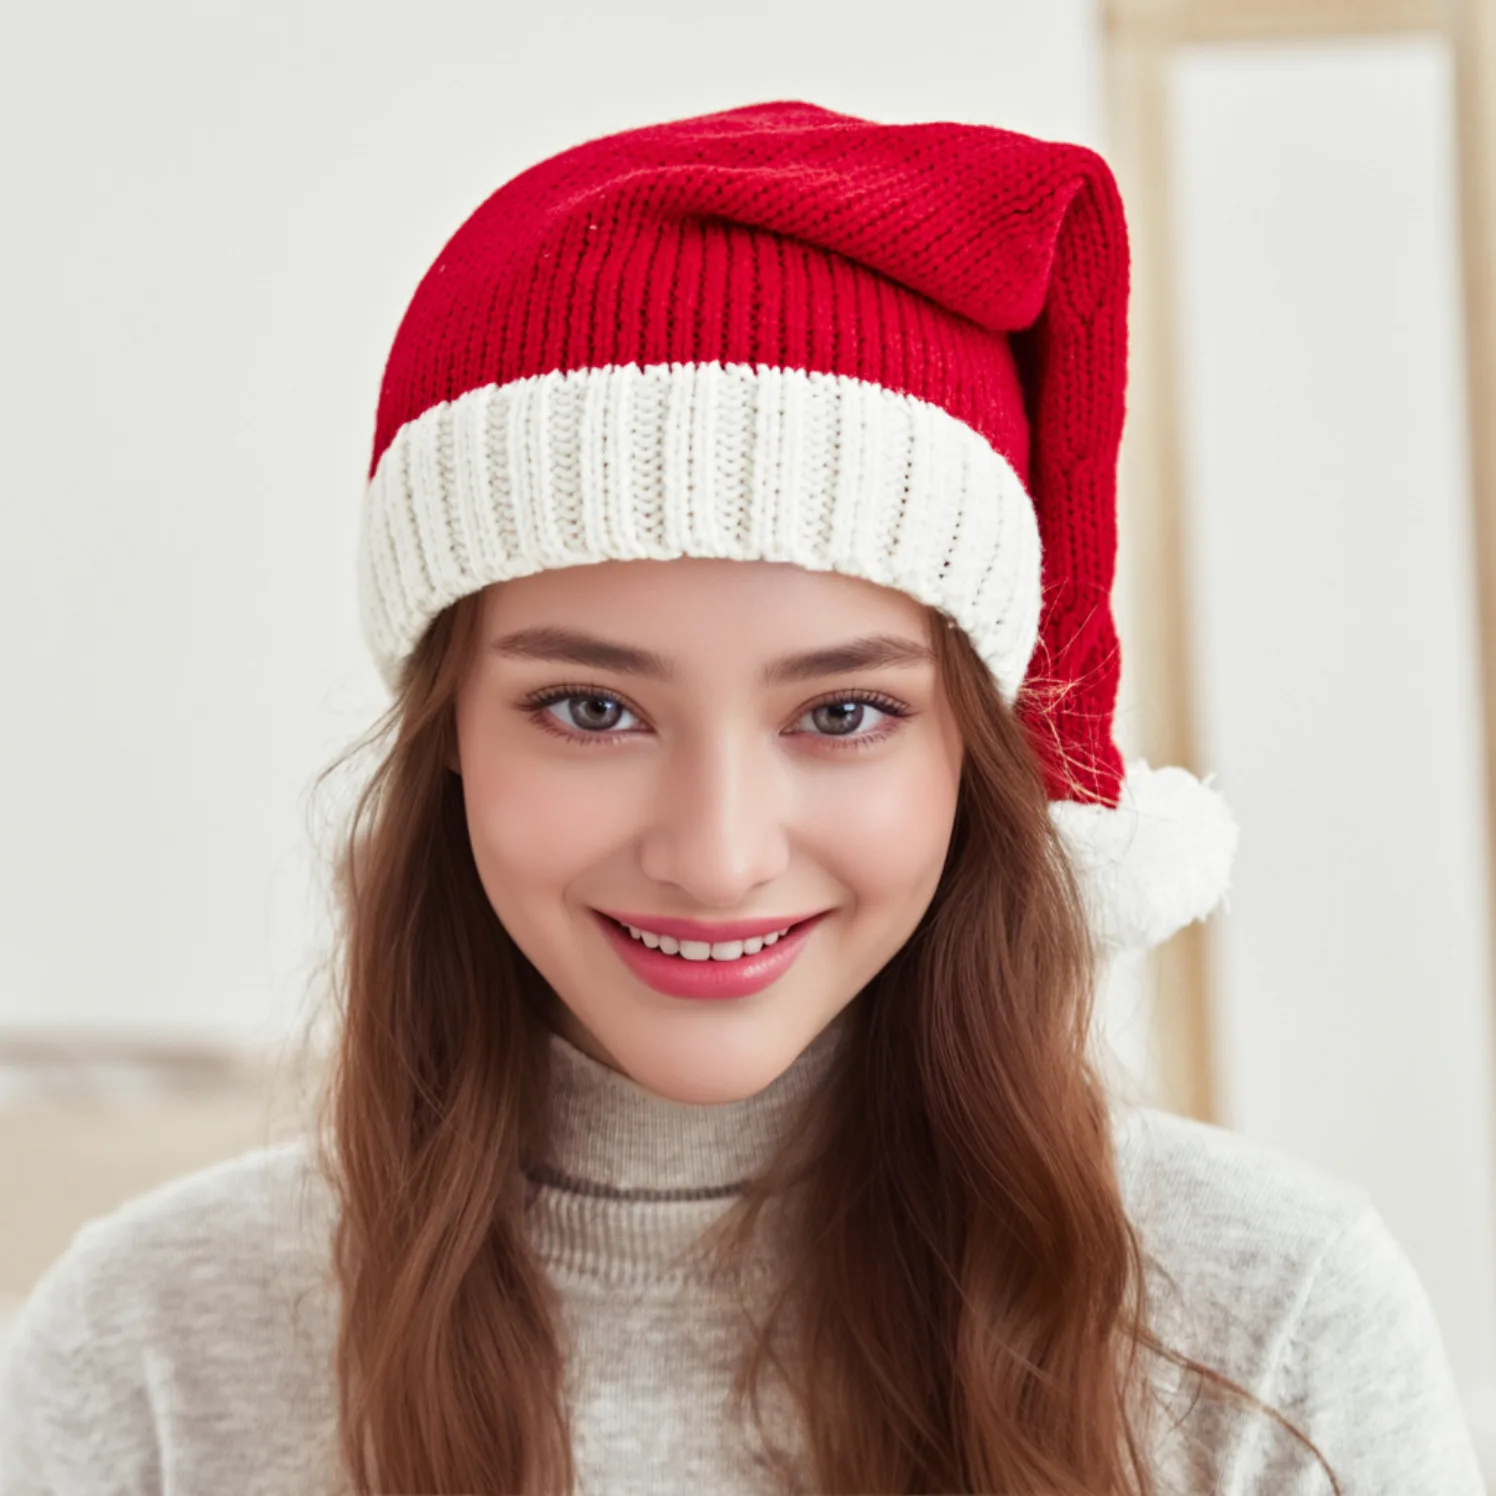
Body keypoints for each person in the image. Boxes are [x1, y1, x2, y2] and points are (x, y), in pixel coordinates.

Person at [0, 98, 1483, 1496]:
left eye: (843, 712)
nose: (716, 857)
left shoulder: (1270, 1327)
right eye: (591, 709)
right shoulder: (149, 1357)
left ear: (973, 748)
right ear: (448, 722)